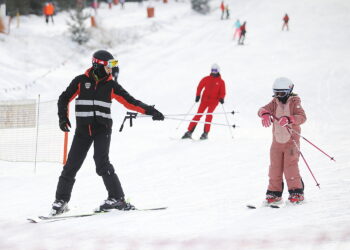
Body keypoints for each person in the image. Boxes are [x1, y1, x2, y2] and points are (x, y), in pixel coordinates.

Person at [51, 50, 164, 216]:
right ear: (98, 65)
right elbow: (64, 98)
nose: (112, 69)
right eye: (110, 66)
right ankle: (61, 201)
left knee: (101, 163)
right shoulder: (80, 81)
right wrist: (63, 118)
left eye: (114, 66)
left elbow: (130, 102)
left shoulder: (111, 85)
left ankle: (117, 198)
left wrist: (150, 111)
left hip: (102, 130)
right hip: (82, 131)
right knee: (71, 166)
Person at [257, 77, 306, 205]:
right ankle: (274, 194)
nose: (279, 96)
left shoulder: (294, 102)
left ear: (289, 91)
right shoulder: (275, 102)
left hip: (291, 142)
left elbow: (302, 117)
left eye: (282, 93)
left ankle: (297, 192)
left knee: (290, 167)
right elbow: (262, 109)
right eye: (276, 93)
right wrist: (265, 114)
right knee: (274, 168)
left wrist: (290, 119)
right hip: (276, 143)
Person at [182, 64, 226, 140]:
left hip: (213, 102)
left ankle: (205, 133)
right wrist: (198, 95)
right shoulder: (206, 79)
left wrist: (221, 98)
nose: (213, 72)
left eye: (215, 70)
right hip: (204, 100)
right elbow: (200, 86)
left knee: (208, 115)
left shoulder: (221, 82)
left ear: (218, 71)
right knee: (198, 115)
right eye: (212, 70)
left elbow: (222, 92)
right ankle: (189, 132)